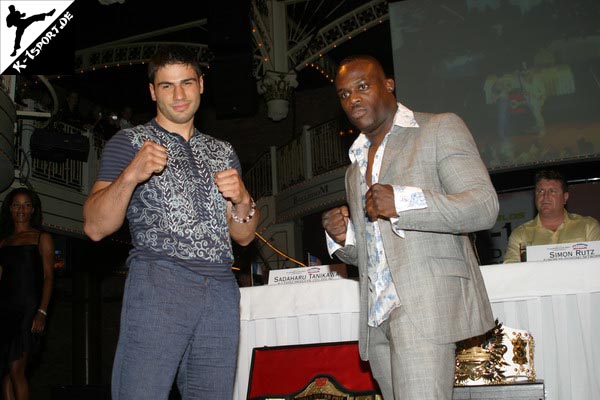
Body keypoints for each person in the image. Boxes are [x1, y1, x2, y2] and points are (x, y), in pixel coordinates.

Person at [82, 44, 259, 400]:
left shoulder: (223, 151)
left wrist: (243, 199)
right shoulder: (128, 142)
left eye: (187, 83)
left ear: (201, 85)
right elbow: (95, 226)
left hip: (221, 290)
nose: (179, 95)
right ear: (152, 91)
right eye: (167, 86)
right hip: (160, 281)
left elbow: (242, 236)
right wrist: (131, 174)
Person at [321, 55, 498, 400]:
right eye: (344, 94)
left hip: (423, 306)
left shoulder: (438, 128)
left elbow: (483, 206)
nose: (353, 99)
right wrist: (343, 239)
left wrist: (402, 203)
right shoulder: (354, 166)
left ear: (388, 86)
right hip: (377, 316)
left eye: (362, 86)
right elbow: (372, 254)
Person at [0, 188, 54, 400]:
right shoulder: (3, 242)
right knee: (5, 371)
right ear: (10, 209)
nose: (21, 209)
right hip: (4, 309)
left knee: (16, 370)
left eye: (26, 205)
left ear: (33, 210)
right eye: (16, 205)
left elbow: (49, 277)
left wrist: (42, 310)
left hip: (28, 309)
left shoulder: (42, 238)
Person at [504, 169, 600, 263]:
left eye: (552, 191)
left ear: (565, 197)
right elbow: (511, 273)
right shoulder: (520, 235)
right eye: (541, 191)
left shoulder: (588, 227)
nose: (545, 197)